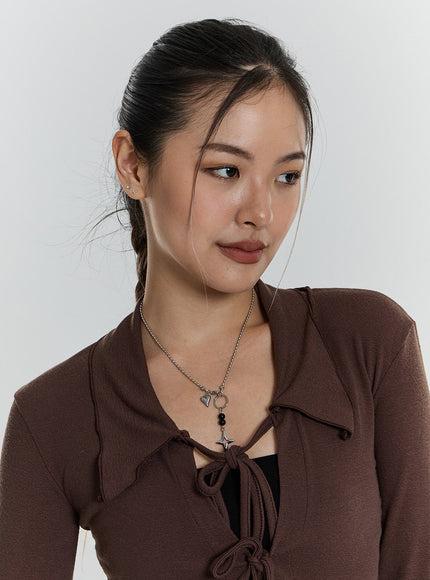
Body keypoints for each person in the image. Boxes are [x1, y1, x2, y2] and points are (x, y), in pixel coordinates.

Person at [0, 18, 429, 580]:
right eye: (226, 170)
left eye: (287, 177)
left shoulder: (368, 344)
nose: (261, 213)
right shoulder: (53, 418)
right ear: (133, 165)